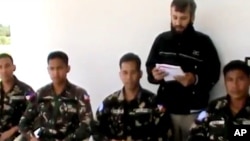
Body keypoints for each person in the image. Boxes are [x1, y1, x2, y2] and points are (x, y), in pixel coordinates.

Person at [145, 0, 221, 141]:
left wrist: (194, 79)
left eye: (183, 18)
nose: (178, 23)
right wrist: (154, 75)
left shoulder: (204, 43)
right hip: (165, 112)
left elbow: (214, 74)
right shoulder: (161, 40)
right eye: (174, 17)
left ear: (192, 17)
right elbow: (150, 67)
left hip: (193, 113)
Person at [93, 53, 171, 141]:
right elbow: (96, 131)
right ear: (120, 75)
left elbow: (165, 134)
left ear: (140, 74)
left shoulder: (155, 103)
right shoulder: (109, 103)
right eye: (125, 73)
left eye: (133, 72)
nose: (129, 77)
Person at [18, 51, 93, 141]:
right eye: (52, 69)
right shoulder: (41, 93)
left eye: (59, 68)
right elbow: (24, 121)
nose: (56, 73)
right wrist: (31, 137)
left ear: (68, 69)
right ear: (48, 70)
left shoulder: (79, 94)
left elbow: (87, 125)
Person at [187, 60, 250, 141]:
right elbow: (194, 134)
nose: (235, 85)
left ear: (249, 80)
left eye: (240, 79)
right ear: (225, 82)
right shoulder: (213, 107)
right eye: (230, 80)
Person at [0, 53, 34, 141]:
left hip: (17, 137)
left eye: (7, 66)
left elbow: (37, 116)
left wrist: (14, 130)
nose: (4, 70)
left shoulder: (27, 90)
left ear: (13, 67)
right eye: (0, 67)